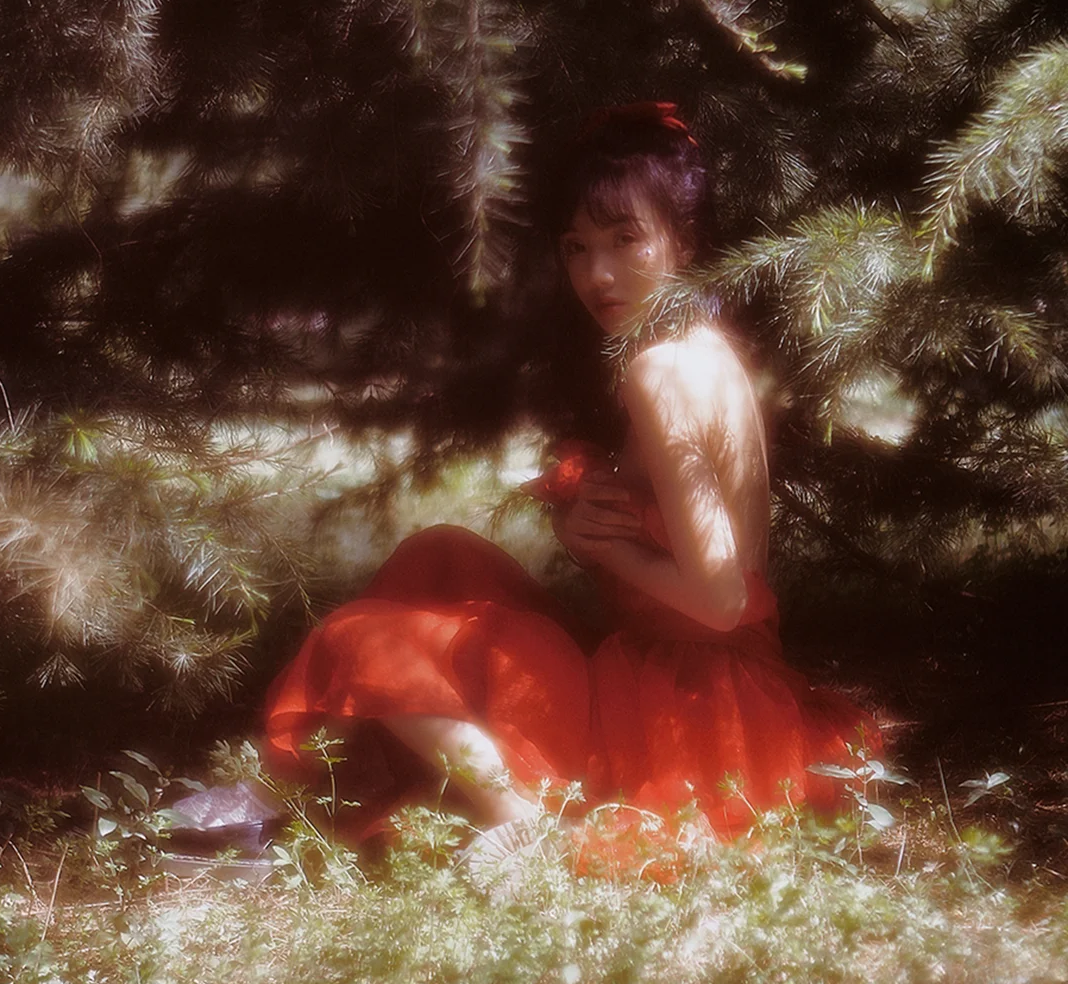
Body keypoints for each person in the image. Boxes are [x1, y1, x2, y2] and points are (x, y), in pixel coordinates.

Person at [260, 102, 872, 867]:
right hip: (708, 674)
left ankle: (521, 815)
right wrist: (589, 530)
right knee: (439, 554)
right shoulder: (707, 346)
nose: (597, 275)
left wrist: (610, 552)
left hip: (677, 702)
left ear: (684, 240)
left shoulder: (658, 371)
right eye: (577, 248)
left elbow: (721, 597)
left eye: (624, 239)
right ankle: (316, 782)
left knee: (356, 638)